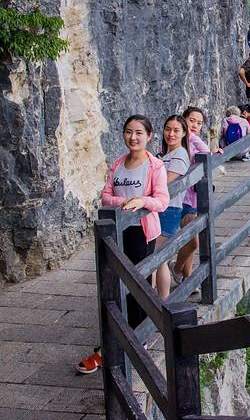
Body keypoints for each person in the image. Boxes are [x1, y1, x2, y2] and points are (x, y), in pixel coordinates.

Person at [76, 115, 169, 374]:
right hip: (118, 231)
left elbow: (162, 200)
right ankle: (117, 340)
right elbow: (106, 196)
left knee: (137, 284)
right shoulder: (118, 164)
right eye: (129, 132)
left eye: (139, 132)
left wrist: (143, 201)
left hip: (142, 232)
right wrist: (126, 202)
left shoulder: (155, 166)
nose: (133, 137)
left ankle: (135, 339)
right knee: (116, 285)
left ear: (149, 136)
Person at [170, 107, 222, 288]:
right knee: (193, 242)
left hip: (194, 198)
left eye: (199, 123)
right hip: (183, 199)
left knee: (190, 239)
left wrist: (213, 152)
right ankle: (176, 269)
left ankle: (188, 279)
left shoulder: (191, 142)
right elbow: (203, 152)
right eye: (191, 120)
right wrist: (190, 136)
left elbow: (205, 154)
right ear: (183, 120)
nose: (195, 125)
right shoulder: (181, 142)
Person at [155, 115, 191, 299]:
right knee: (158, 259)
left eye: (176, 130)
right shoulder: (167, 155)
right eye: (168, 129)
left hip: (168, 211)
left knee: (154, 258)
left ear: (184, 133)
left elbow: (164, 183)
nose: (171, 134)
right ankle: (161, 300)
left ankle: (157, 300)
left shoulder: (180, 155)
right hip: (164, 210)